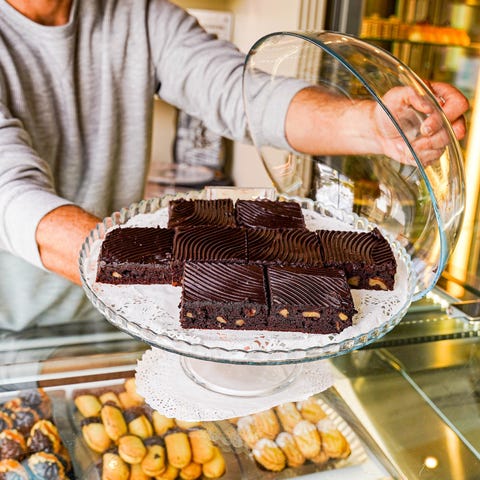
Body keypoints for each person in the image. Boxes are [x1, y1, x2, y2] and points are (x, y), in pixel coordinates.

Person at [0, 0, 469, 331]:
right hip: (20, 321)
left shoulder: (139, 13)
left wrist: (372, 124)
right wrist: (167, 268)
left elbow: (239, 93)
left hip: (134, 316)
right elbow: (10, 191)